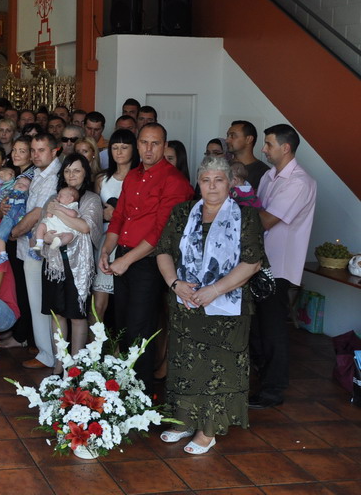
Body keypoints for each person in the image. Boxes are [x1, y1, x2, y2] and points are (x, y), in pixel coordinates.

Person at [155, 156, 265, 454]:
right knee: (185, 363)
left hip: (226, 309)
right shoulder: (182, 212)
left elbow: (252, 262)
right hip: (186, 303)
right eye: (206, 180)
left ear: (230, 184)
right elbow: (163, 251)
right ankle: (184, 420)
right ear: (198, 183)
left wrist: (214, 290)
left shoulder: (246, 216)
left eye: (219, 180)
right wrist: (175, 283)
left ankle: (208, 430)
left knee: (218, 368)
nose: (212, 186)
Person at [100, 124, 194, 387]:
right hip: (123, 256)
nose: (149, 149)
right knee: (122, 324)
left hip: (149, 262)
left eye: (155, 143)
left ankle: (140, 391)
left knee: (140, 328)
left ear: (165, 145)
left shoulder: (175, 181)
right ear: (137, 144)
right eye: (144, 143)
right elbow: (119, 217)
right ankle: (123, 386)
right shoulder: (132, 176)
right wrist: (107, 250)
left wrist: (126, 260)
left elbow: (161, 232)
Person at [251, 123, 316, 410]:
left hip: (279, 266)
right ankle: (262, 381)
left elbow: (266, 220)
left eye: (268, 144)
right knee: (258, 327)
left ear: (285, 147)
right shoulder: (269, 176)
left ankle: (273, 390)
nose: (263, 149)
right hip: (259, 262)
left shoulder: (299, 182)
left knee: (273, 329)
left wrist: (237, 208)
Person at [40, 154, 103, 362]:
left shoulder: (91, 199)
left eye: (76, 170)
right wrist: (47, 237)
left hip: (78, 265)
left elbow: (85, 227)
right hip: (54, 263)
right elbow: (42, 227)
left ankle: (75, 365)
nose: (71, 175)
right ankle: (60, 363)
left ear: (85, 173)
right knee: (57, 314)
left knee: (77, 315)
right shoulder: (54, 197)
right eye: (67, 171)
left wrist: (58, 211)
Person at [9, 133, 64, 370]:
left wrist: (14, 231)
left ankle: (47, 354)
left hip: (39, 248)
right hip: (30, 246)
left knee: (40, 301)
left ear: (54, 151)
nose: (35, 154)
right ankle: (46, 351)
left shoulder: (53, 176)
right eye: (32, 150)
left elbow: (37, 213)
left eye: (41, 150)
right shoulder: (39, 173)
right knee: (36, 301)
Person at [92, 129, 138, 321]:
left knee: (127, 301)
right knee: (99, 303)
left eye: (124, 147)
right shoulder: (102, 179)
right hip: (105, 240)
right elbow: (93, 212)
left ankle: (122, 341)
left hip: (130, 242)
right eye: (115, 147)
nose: (119, 152)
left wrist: (118, 214)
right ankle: (94, 340)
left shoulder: (140, 178)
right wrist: (103, 214)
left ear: (133, 149)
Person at [226, 120, 270, 189]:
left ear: (249, 139)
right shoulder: (222, 166)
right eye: (227, 136)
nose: (227, 140)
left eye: (232, 136)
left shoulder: (263, 173)